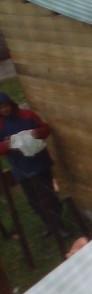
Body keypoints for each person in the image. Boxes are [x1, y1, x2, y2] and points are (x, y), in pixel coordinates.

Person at [0, 91, 67, 236]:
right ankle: (48, 224)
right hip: (21, 167)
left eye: (6, 106)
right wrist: (6, 146)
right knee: (33, 199)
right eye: (1, 108)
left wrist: (38, 133)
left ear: (11, 104)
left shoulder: (27, 115)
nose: (4, 110)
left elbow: (45, 129)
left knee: (48, 195)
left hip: (40, 163)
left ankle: (59, 225)